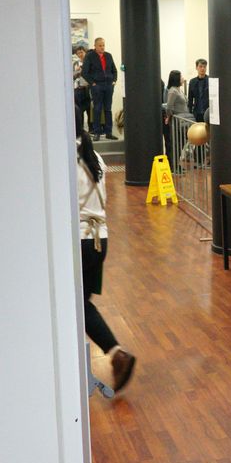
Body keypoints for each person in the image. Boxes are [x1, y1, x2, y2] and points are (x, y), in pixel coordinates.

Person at [74, 108, 135, 393]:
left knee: (77, 305)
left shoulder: (67, 159)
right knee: (81, 304)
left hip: (82, 241)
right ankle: (115, 354)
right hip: (100, 239)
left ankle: (114, 354)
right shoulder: (93, 155)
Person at [83, 37, 118, 140]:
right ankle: (97, 132)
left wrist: (114, 81)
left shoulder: (108, 56)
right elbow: (84, 72)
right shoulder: (90, 56)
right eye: (100, 45)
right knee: (97, 109)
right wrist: (92, 83)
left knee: (108, 109)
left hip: (108, 86)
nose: (102, 47)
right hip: (97, 86)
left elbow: (114, 70)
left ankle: (109, 132)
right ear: (95, 46)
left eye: (103, 45)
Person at [164, 70, 189, 163]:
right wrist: (169, 116)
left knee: (182, 142)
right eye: (181, 76)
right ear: (176, 78)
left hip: (184, 120)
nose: (183, 78)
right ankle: (174, 164)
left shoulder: (179, 90)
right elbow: (169, 106)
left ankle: (176, 163)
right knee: (177, 143)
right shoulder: (173, 91)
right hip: (177, 121)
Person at [72, 46, 91, 130]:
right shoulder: (75, 64)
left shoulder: (89, 62)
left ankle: (91, 128)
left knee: (90, 109)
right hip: (78, 89)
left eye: (81, 52)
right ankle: (81, 128)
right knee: (79, 110)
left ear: (85, 52)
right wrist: (77, 72)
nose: (80, 54)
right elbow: (72, 76)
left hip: (88, 88)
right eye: (78, 53)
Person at [187, 58, 209, 122]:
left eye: (204, 67)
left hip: (207, 112)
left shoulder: (210, 80)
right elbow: (190, 98)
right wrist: (190, 112)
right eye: (200, 66)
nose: (202, 68)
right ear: (196, 68)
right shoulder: (192, 82)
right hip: (197, 112)